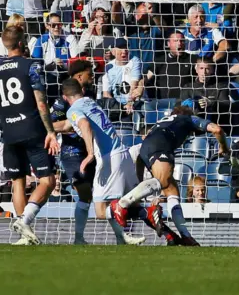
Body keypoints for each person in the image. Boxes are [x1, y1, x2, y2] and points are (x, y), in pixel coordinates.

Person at [110, 105, 229, 246]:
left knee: (172, 190)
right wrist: (224, 147)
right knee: (162, 180)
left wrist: (139, 188)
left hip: (146, 148)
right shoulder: (188, 118)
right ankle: (122, 204)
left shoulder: (163, 121)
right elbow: (217, 130)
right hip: (162, 144)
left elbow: (142, 157)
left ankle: (185, 235)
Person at [59, 79, 148, 246]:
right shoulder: (90, 103)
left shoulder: (73, 109)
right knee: (129, 203)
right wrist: (45, 127)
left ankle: (131, 218)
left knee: (101, 211)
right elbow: (66, 125)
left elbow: (84, 125)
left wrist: (90, 153)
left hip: (109, 158)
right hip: (123, 153)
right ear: (82, 90)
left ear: (65, 97)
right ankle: (123, 236)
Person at [0, 26, 60, 245]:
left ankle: (23, 236)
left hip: (8, 131)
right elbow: (40, 101)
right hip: (32, 130)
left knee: (18, 181)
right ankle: (25, 220)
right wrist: (51, 132)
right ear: (21, 43)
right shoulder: (30, 65)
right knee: (48, 180)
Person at [50, 60, 97, 244]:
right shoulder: (63, 99)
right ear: (79, 76)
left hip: (91, 149)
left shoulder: (91, 94)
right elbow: (50, 124)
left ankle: (118, 235)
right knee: (84, 190)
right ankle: (79, 237)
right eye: (89, 74)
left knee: (96, 194)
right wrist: (71, 128)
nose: (92, 77)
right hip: (72, 151)